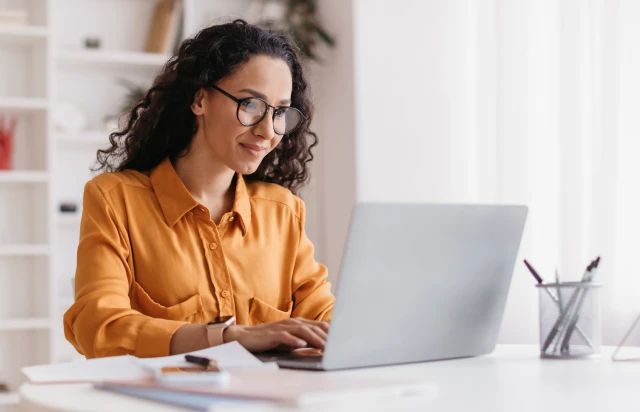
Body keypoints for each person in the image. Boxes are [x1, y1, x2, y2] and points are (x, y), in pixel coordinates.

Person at [63, 20, 334, 359]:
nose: (268, 130)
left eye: (280, 111)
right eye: (251, 104)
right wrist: (229, 337)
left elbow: (324, 320)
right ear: (199, 99)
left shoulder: (282, 210)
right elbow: (98, 326)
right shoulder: (115, 199)